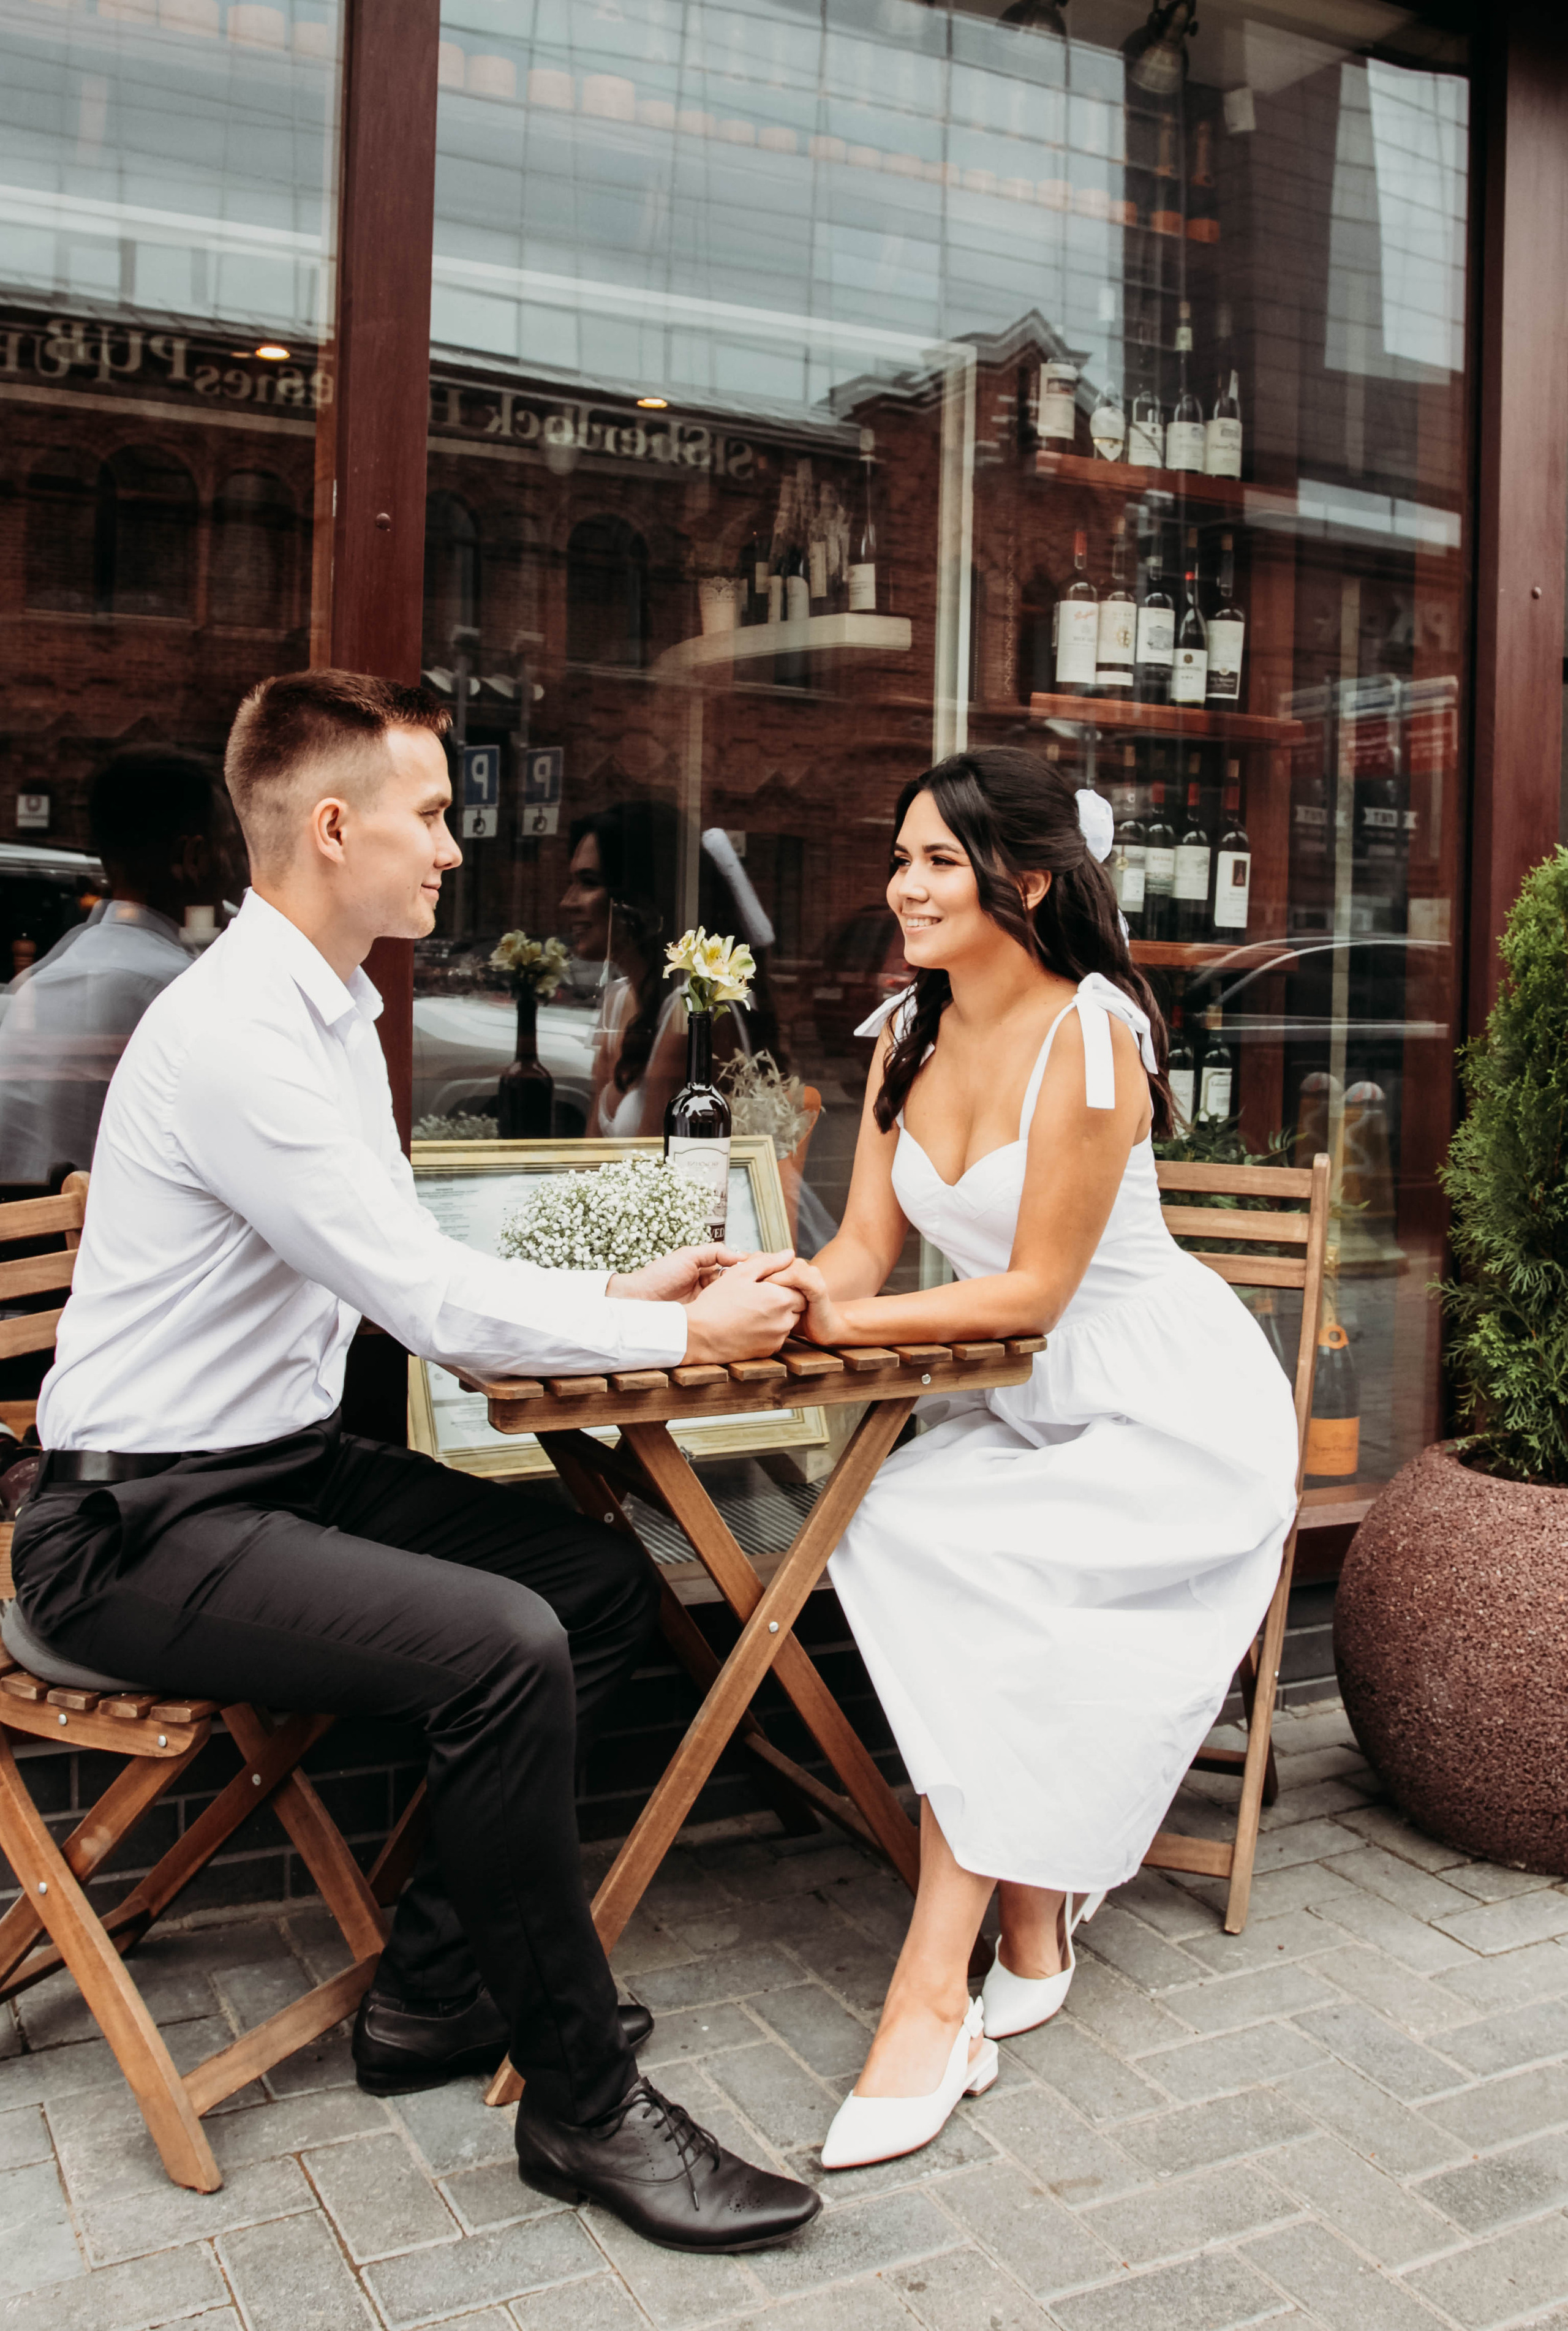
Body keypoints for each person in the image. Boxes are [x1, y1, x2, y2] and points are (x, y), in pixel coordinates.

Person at [9, 669, 820, 2254]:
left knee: (586, 1577)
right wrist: (682, 1343)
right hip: (129, 1526)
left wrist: (613, 1294)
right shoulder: (241, 1031)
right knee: (502, 1644)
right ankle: (583, 2103)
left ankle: (436, 1991)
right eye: (432, 815)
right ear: (331, 827)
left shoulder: (319, 1007)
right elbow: (431, 1302)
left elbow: (402, 1258)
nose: (455, 848)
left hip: (271, 1474)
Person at [771, 747, 1300, 2171]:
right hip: (1014, 1411)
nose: (903, 887)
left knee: (976, 1553)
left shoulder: (1095, 1034)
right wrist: (788, 1290)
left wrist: (854, 1312)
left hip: (1163, 1412)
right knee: (882, 1517)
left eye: (937, 860)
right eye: (899, 860)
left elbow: (1030, 1293)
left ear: (1024, 877)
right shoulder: (901, 1034)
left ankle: (928, 1991)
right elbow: (860, 1250)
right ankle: (1023, 1911)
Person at [0, 750, 221, 1186]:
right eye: (232, 847)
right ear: (193, 859)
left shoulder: (62, 964)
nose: (240, 869)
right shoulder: (173, 989)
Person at [560, 801, 782, 1137]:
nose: (567, 901)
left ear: (639, 898)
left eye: (588, 882)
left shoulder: (693, 1012)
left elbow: (660, 1171)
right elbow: (592, 1151)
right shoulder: (619, 999)